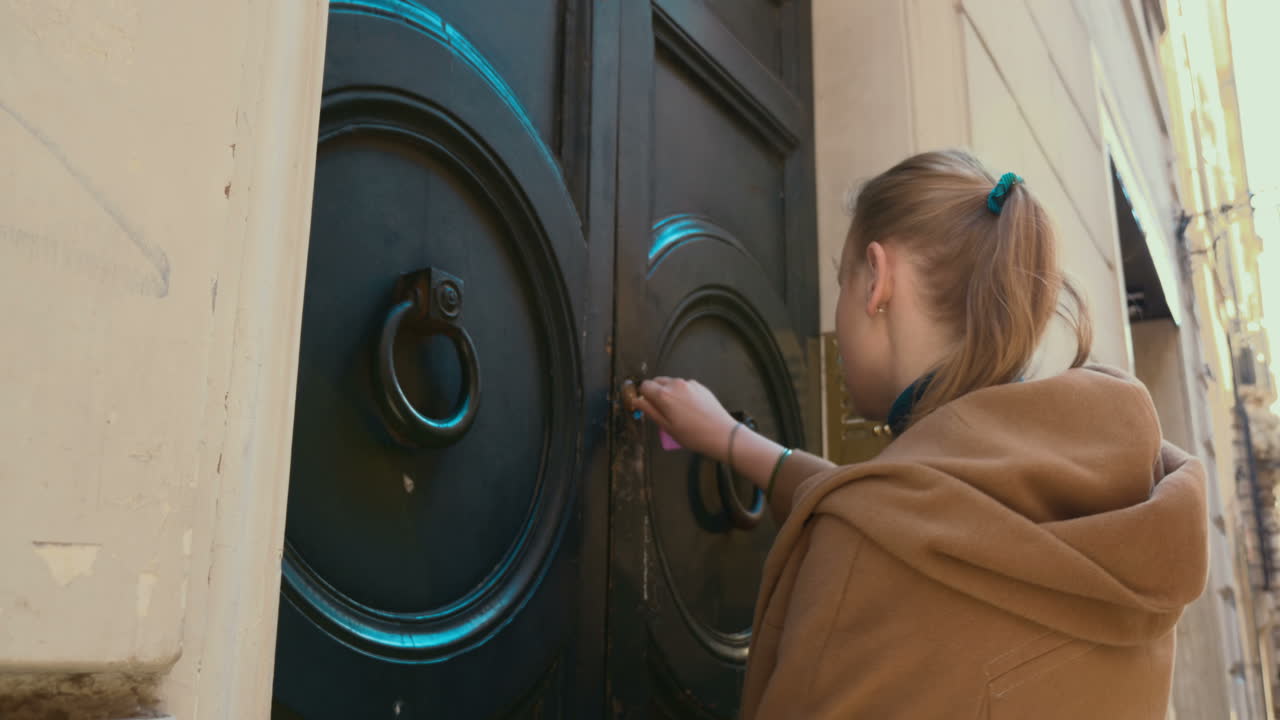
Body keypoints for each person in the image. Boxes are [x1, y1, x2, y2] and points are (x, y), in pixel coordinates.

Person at [628, 150, 1208, 719]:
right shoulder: (1125, 516)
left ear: (877, 279)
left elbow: (894, 530)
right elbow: (933, 524)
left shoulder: (868, 551)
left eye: (842, 278)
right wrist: (734, 441)